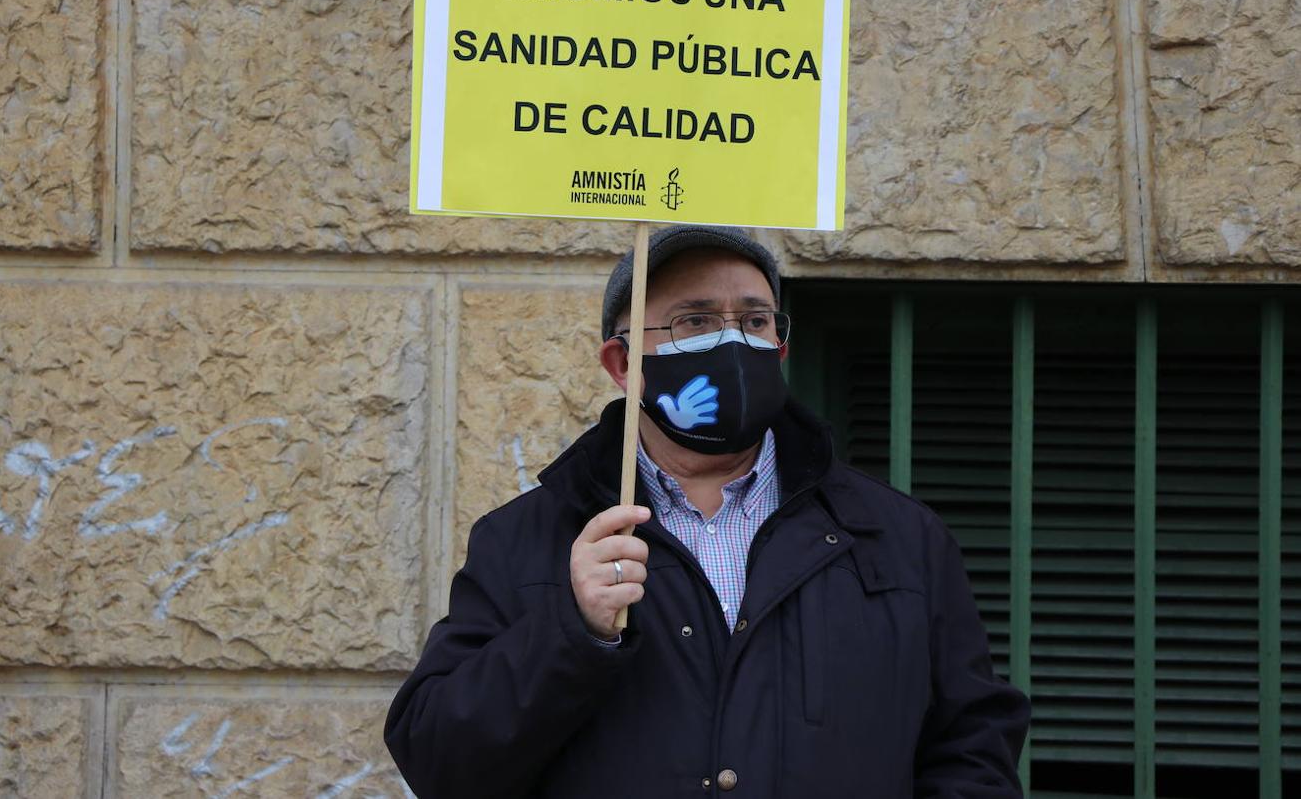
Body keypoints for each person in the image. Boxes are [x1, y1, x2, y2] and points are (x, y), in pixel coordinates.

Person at [384, 224, 1030, 798]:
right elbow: (441, 762)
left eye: (753, 321)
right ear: (623, 363)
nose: (732, 342)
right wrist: (570, 631)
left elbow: (972, 750)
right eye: (694, 321)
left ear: (779, 346)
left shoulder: (899, 537)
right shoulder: (526, 540)